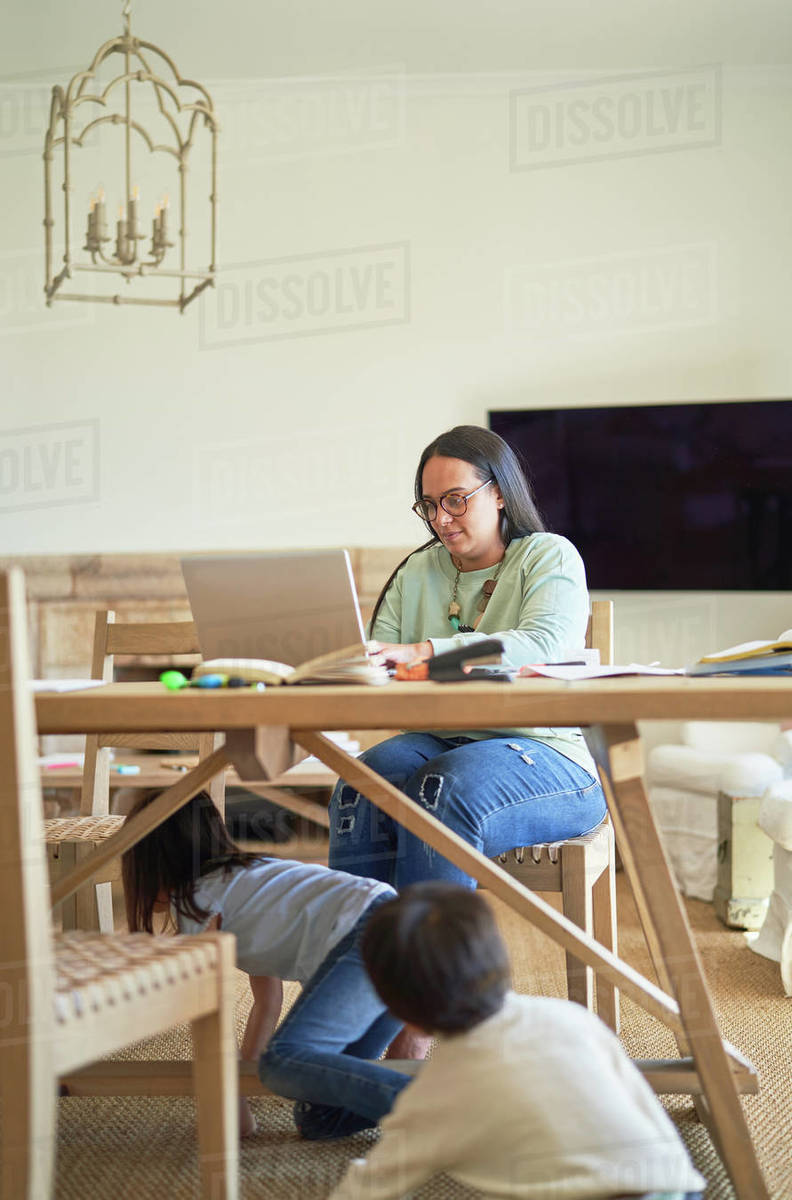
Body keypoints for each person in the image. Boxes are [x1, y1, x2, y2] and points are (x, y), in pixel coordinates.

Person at [328, 424, 607, 1054]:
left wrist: (425, 652)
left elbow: (544, 647)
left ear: (500, 492)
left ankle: (428, 1034)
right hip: (442, 741)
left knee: (441, 789)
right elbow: (382, 662)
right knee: (362, 783)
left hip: (548, 757)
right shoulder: (417, 571)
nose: (442, 518)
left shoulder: (549, 556)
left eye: (458, 499)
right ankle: (349, 1029)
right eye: (430, 505)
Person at [329, 883, 706, 1200]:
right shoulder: (572, 1018)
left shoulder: (434, 1095)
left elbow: (371, 1186)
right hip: (676, 1184)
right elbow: (639, 1103)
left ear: (402, 1014)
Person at [121, 789, 412, 1141]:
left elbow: (210, 1018)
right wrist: (243, 1090)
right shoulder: (246, 878)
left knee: (285, 1060)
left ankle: (444, 1101)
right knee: (319, 1118)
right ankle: (431, 1093)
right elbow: (267, 1001)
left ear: (151, 863)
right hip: (400, 931)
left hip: (368, 931)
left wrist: (230, 1112)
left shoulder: (195, 902)